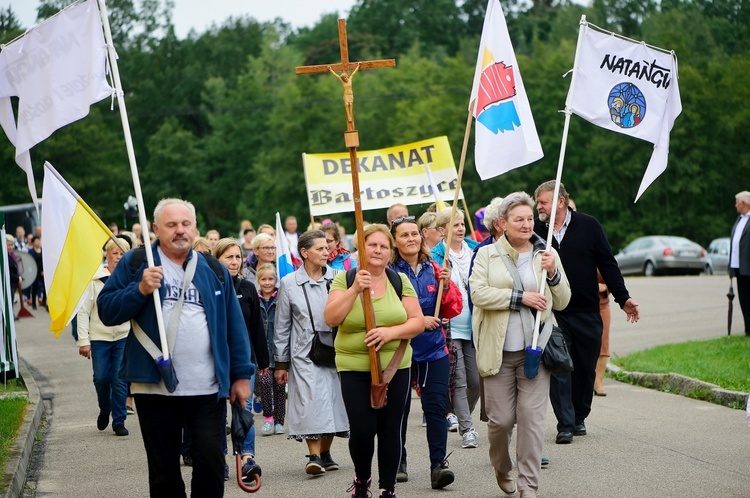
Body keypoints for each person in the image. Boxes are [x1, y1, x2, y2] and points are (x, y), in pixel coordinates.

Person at [97, 198, 253, 497]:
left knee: (210, 462)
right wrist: (139, 289)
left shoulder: (214, 268)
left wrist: (241, 375)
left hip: (207, 388)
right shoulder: (136, 264)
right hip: (154, 389)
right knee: (164, 472)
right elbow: (106, 310)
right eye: (171, 225)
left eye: (185, 224)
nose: (180, 231)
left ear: (195, 228)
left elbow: (234, 326)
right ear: (155, 228)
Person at [470, 192, 571, 498]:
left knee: (531, 422)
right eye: (519, 220)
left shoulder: (546, 253)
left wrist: (552, 273)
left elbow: (563, 301)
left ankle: (529, 487)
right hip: (497, 354)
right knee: (500, 422)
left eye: (530, 218)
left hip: (536, 354)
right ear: (502, 223)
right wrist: (519, 298)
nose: (527, 224)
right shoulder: (487, 254)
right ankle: (502, 468)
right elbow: (478, 294)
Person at [533, 180, 639, 444]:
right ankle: (565, 424)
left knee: (584, 368)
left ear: (560, 201)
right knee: (560, 366)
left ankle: (580, 415)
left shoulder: (589, 225)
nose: (539, 207)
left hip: (587, 310)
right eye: (538, 203)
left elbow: (607, 262)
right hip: (554, 313)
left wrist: (622, 298)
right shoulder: (535, 231)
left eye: (543, 202)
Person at [324, 223, 424, 498]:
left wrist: (390, 332)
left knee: (390, 429)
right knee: (363, 430)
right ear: (361, 249)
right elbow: (331, 318)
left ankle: (387, 489)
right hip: (354, 367)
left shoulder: (398, 281)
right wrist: (355, 289)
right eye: (372, 245)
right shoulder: (344, 280)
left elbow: (417, 322)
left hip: (395, 368)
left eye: (383, 246)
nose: (378, 250)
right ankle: (362, 480)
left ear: (390, 253)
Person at [389, 216, 463, 490]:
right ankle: (398, 461)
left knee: (435, 409)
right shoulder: (388, 272)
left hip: (433, 350)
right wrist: (418, 322)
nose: (411, 239)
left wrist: (449, 283)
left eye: (414, 234)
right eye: (404, 235)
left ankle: (438, 465)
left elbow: (453, 309)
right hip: (400, 350)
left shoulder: (435, 267)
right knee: (398, 410)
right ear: (394, 241)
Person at [274, 230, 348, 476]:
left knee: (335, 401)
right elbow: (282, 326)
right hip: (303, 352)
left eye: (327, 248)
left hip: (338, 349)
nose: (326, 252)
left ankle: (326, 453)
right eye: (319, 248)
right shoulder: (289, 283)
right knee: (310, 402)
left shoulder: (340, 278)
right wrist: (281, 363)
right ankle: (314, 455)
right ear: (304, 252)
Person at [213, 238, 269, 485]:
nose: (234, 262)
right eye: (228, 257)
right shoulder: (210, 288)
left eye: (237, 256)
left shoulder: (247, 288)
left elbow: (257, 328)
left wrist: (264, 361)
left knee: (244, 413)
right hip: (214, 362)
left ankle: (247, 459)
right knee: (214, 416)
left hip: (243, 361)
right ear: (217, 260)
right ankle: (220, 460)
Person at [431, 208, 481, 449]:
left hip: (474, 325)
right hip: (450, 326)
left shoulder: (476, 249)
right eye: (455, 225)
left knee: (476, 380)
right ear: (442, 231)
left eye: (462, 224)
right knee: (460, 379)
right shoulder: (435, 255)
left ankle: (462, 414)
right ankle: (468, 429)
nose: (461, 228)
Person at [77, 238, 132, 436]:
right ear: (106, 254)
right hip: (99, 337)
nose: (118, 257)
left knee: (119, 378)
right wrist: (83, 341)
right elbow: (83, 312)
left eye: (122, 253)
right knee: (101, 378)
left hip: (123, 335)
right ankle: (105, 408)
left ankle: (119, 420)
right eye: (115, 253)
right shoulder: (94, 279)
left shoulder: (130, 278)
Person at [255, 263, 286, 436]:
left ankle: (280, 420)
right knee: (265, 384)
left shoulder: (280, 299)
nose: (267, 282)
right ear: (258, 281)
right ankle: (268, 418)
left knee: (279, 386)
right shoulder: (255, 298)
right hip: (262, 353)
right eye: (264, 279)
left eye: (270, 279)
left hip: (278, 350)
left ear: (276, 280)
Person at [730, 191, 750, 336]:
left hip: (748, 266)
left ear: (744, 203)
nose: (735, 204)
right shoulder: (739, 220)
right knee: (744, 299)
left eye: (737, 201)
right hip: (739, 267)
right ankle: (748, 328)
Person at [594, 271, 611, 396]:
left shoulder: (602, 252)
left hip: (601, 305)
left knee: (603, 342)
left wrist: (605, 286)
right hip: (577, 305)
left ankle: (598, 381)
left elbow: (614, 275)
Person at [28, 235, 45, 309]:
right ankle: (34, 303)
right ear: (33, 242)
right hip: (35, 271)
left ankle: (44, 301)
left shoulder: (42, 250)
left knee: (45, 287)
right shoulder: (31, 251)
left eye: (39, 240)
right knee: (35, 287)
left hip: (42, 271)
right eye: (36, 241)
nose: (38, 242)